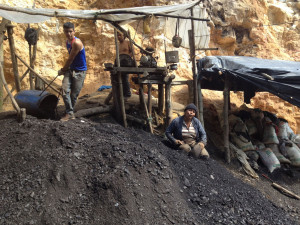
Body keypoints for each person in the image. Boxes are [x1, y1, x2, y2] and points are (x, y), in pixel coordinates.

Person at [58, 22, 87, 121]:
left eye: (70, 31)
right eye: (66, 32)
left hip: (80, 71)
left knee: (74, 95)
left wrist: (62, 70)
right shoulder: (67, 42)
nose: (69, 34)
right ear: (64, 32)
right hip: (70, 69)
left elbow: (70, 58)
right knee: (64, 90)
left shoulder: (77, 43)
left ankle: (68, 112)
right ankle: (70, 113)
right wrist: (65, 70)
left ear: (74, 31)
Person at [116, 32, 134, 98]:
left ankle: (127, 94)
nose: (118, 37)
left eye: (120, 35)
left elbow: (132, 52)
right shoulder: (118, 45)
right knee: (118, 78)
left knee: (125, 78)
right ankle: (121, 93)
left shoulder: (128, 43)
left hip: (127, 63)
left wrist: (127, 58)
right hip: (120, 62)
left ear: (124, 35)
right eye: (117, 35)